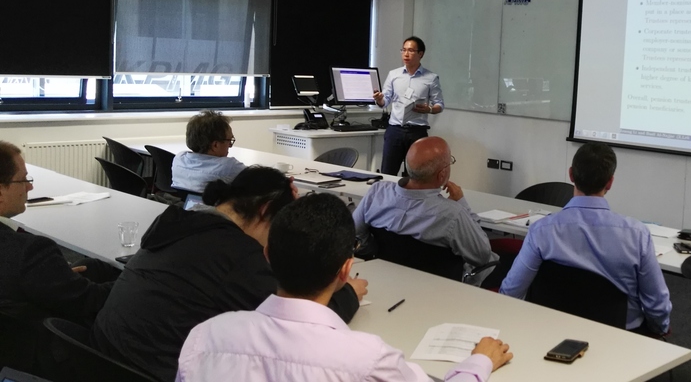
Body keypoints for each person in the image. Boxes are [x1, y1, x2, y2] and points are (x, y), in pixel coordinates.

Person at [177, 193, 513, 382]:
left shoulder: (205, 336)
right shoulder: (368, 360)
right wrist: (479, 362)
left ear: (267, 256)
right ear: (345, 271)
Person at [91, 166, 368, 382]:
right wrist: (348, 293)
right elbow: (299, 325)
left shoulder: (181, 223)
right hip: (153, 371)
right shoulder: (237, 255)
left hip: (103, 355)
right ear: (264, 211)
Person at [499, 142, 672, 335]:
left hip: (551, 335)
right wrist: (659, 330)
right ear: (610, 182)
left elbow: (510, 292)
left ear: (571, 175)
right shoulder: (637, 235)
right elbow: (657, 305)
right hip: (619, 340)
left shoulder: (541, 231)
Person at [0, 141, 114, 375]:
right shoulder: (29, 250)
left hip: (10, 344)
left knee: (92, 267)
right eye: (23, 180)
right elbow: (88, 301)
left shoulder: (23, 255)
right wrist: (135, 281)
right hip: (42, 353)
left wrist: (50, 276)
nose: (30, 187)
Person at [353, 136, 498, 285]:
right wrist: (463, 204)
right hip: (439, 289)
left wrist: (373, 251)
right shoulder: (453, 214)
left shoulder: (377, 193)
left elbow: (354, 233)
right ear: (442, 175)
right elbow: (481, 255)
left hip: (384, 281)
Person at [374, 36, 444, 175]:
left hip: (417, 132)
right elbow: (385, 101)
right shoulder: (393, 75)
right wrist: (379, 99)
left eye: (411, 50)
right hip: (395, 131)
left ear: (420, 54)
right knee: (387, 172)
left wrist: (429, 109)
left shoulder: (431, 78)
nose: (406, 54)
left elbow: (439, 105)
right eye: (404, 50)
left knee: (414, 175)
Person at [171, 110, 246, 192]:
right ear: (215, 145)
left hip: (182, 200)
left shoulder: (179, 159)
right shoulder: (230, 166)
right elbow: (255, 179)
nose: (230, 145)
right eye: (229, 141)